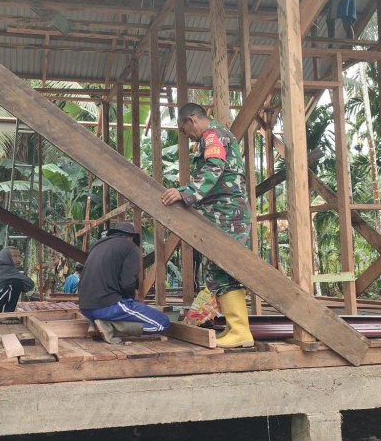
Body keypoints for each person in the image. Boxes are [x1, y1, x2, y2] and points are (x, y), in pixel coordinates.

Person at [160, 103, 254, 348]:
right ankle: (236, 329)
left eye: (183, 130)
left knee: (225, 269)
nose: (185, 135)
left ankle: (241, 330)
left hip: (228, 215)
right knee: (217, 270)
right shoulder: (213, 137)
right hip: (221, 214)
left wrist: (187, 193)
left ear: (191, 120)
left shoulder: (212, 135)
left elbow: (214, 168)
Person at [78, 222, 169, 344]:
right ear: (131, 237)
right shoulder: (131, 248)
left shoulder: (97, 246)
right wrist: (130, 299)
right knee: (162, 323)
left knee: (130, 310)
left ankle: (99, 323)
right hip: (107, 307)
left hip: (85, 308)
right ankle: (110, 325)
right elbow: (127, 283)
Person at [0, 247, 35, 322]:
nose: (18, 259)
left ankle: (6, 314)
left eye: (19, 256)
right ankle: (4, 316)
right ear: (6, 257)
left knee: (15, 283)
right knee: (16, 283)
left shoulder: (0, 269)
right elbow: (30, 284)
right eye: (14, 256)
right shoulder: (6, 270)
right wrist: (21, 286)